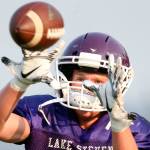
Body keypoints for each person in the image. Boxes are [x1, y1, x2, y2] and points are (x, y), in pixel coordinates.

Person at [0, 32, 150, 150]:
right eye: (80, 78)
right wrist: (19, 83)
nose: (88, 86)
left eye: (98, 81)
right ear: (66, 77)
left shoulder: (134, 129)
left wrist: (118, 123)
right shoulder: (43, 113)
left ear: (117, 84)